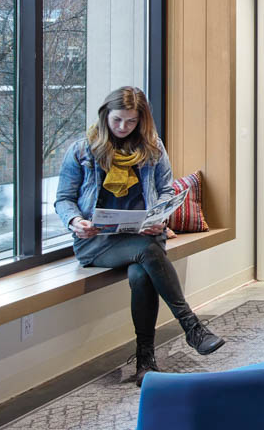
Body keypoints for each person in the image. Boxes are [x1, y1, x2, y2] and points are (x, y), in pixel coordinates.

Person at [54, 86, 224, 385]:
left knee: (140, 275)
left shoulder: (152, 148)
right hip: (98, 243)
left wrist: (159, 216)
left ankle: (146, 360)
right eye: (117, 120)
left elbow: (167, 190)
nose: (122, 127)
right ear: (106, 115)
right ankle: (192, 327)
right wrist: (76, 220)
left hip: (143, 237)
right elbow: (63, 199)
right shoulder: (82, 150)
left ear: (141, 120)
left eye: (131, 122)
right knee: (147, 252)